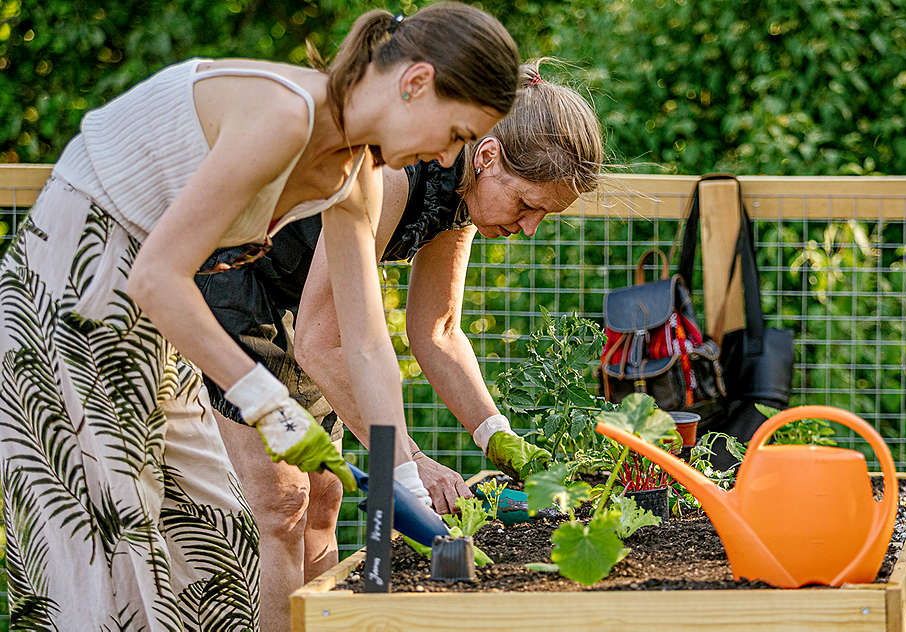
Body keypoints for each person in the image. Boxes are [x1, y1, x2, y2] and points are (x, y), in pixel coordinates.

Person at [0, 4, 518, 630]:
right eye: (458, 133)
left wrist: (398, 477)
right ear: (415, 85)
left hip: (163, 317)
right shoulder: (285, 115)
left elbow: (366, 342)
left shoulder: (359, 173)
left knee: (219, 550)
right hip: (75, 288)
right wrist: (270, 405)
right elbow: (154, 276)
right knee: (108, 547)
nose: (446, 158)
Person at [197, 60, 602, 628]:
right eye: (528, 205)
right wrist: (411, 463)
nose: (529, 227)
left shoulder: (459, 192)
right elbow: (324, 344)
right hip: (239, 276)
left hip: (302, 301)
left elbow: (436, 330)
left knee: (323, 500)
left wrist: (500, 438)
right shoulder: (397, 174)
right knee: (284, 504)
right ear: (487, 158)